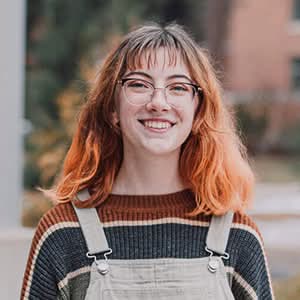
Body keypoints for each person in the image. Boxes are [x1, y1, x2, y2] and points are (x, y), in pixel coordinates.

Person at [21, 23, 274, 299]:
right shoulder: (63, 234)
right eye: (139, 84)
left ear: (197, 110)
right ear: (112, 108)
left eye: (178, 87)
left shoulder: (237, 236)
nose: (158, 102)